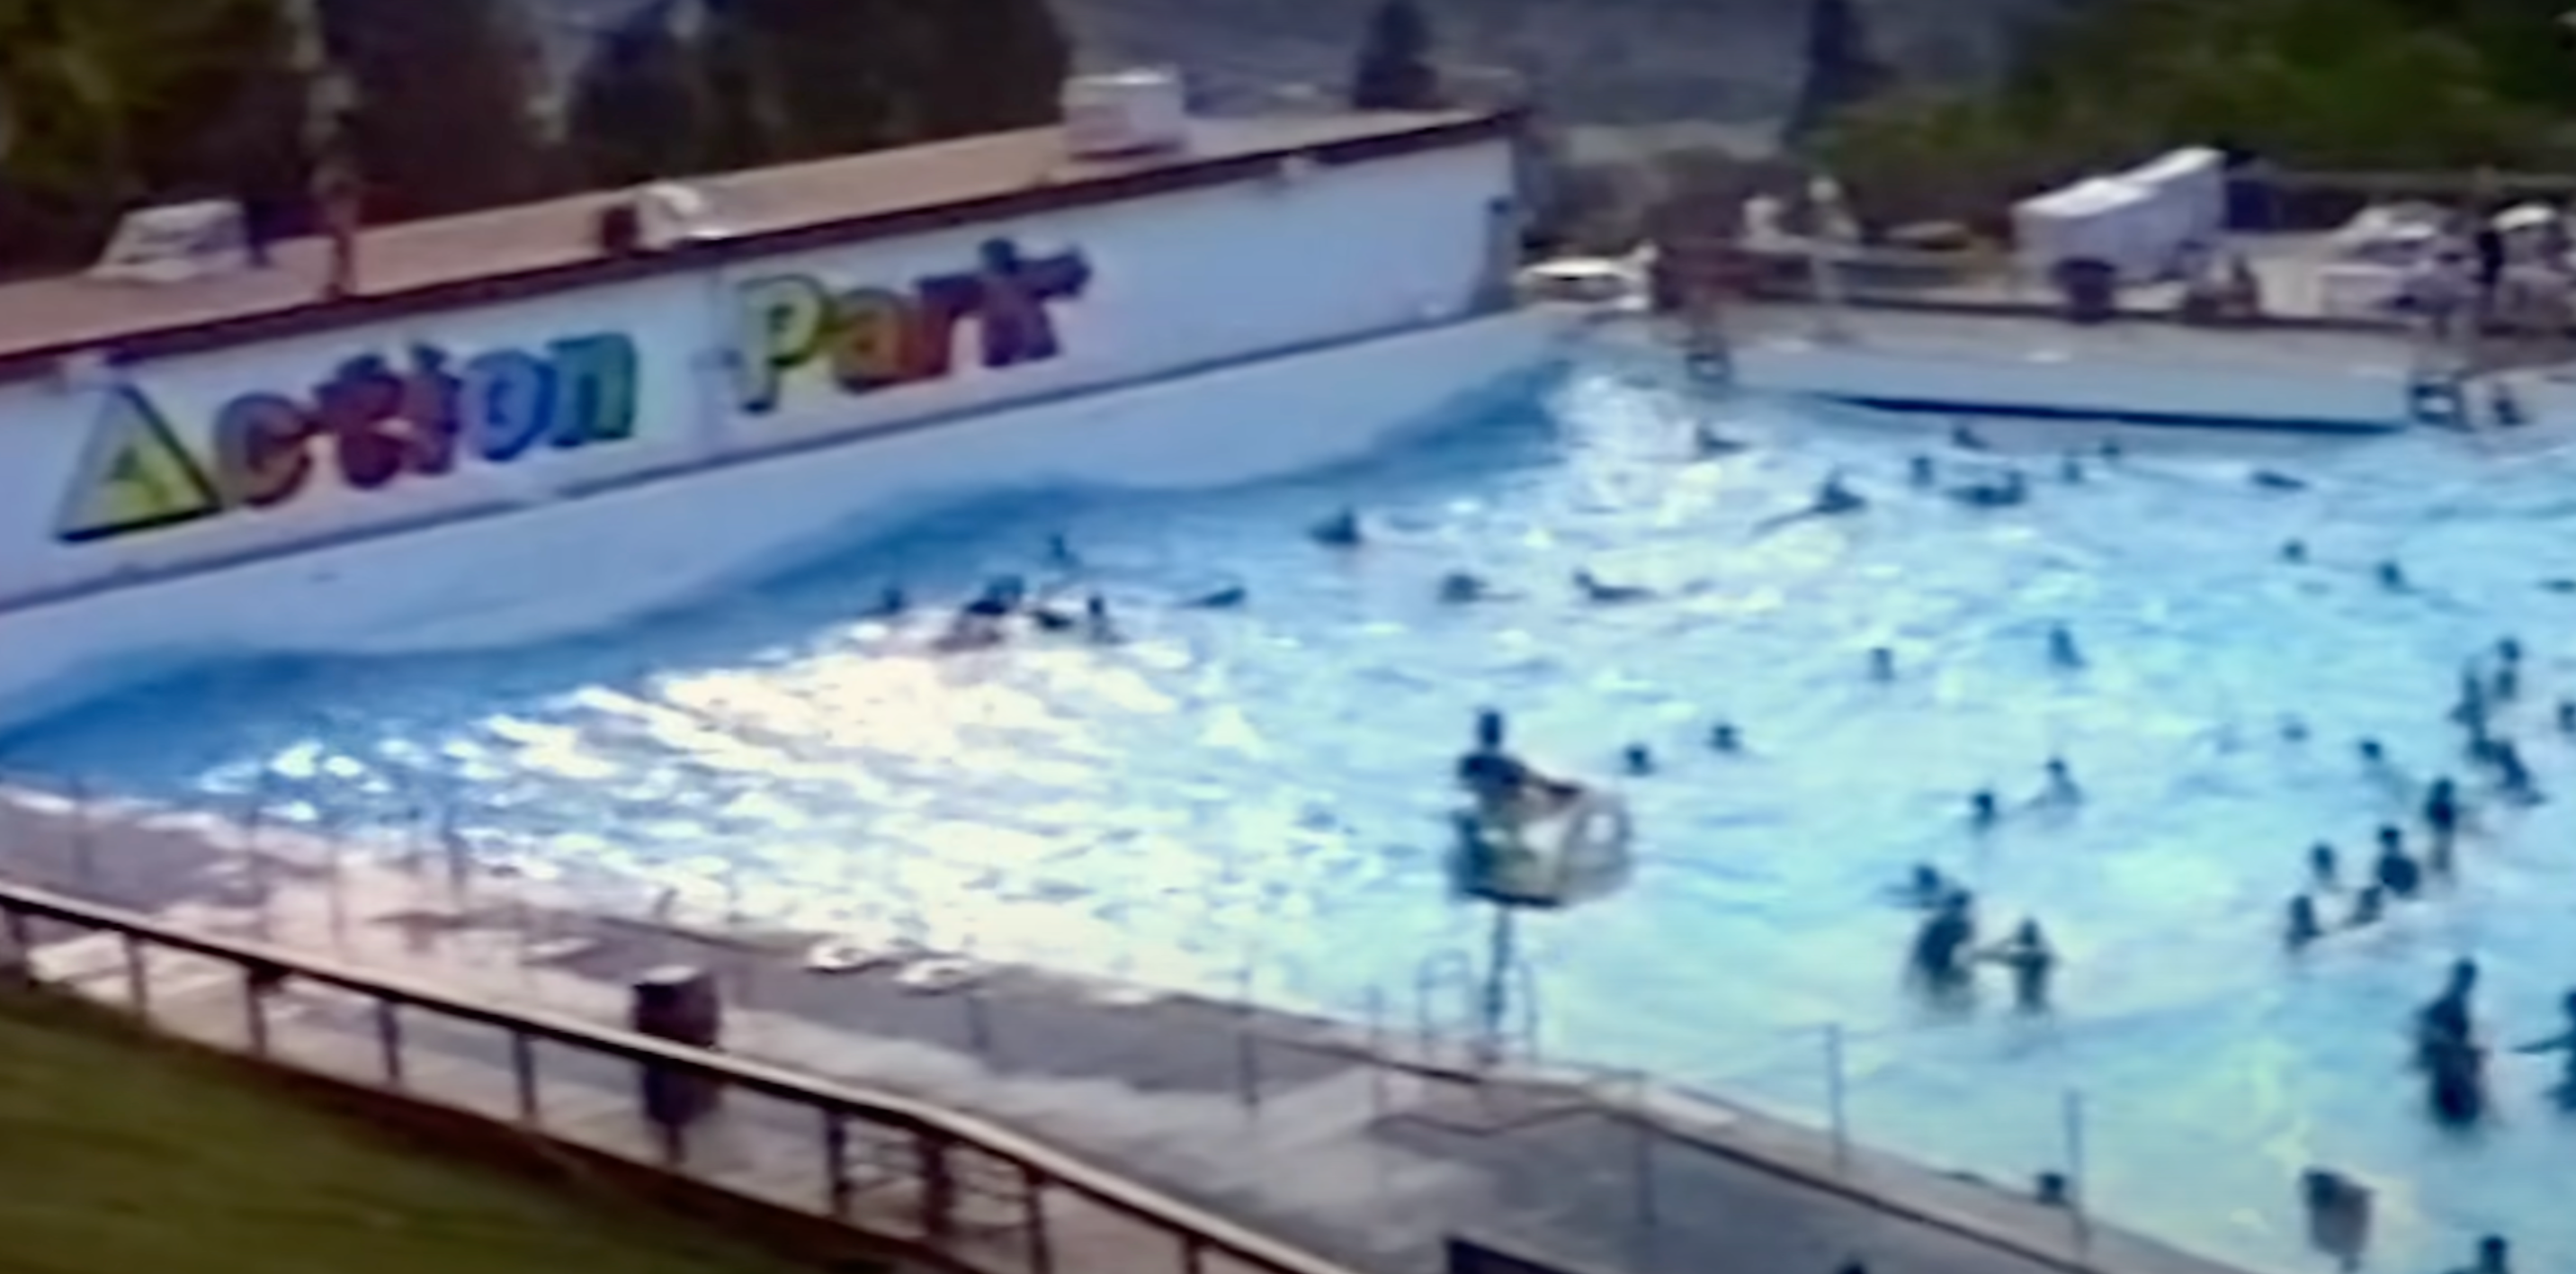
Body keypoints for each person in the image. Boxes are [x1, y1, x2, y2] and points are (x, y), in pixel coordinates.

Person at [1979, 918, 2057, 1012]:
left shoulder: (2037, 952)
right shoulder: (2040, 948)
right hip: (2026, 1002)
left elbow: (2010, 958)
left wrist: (1983, 955)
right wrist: (2007, 941)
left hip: (2033, 1003)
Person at [2374, 827, 2421, 899]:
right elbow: (2381, 882)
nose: (2390, 845)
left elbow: (2416, 883)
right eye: (2388, 842)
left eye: (2393, 842)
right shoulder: (2383, 864)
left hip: (2406, 896)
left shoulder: (2408, 863)